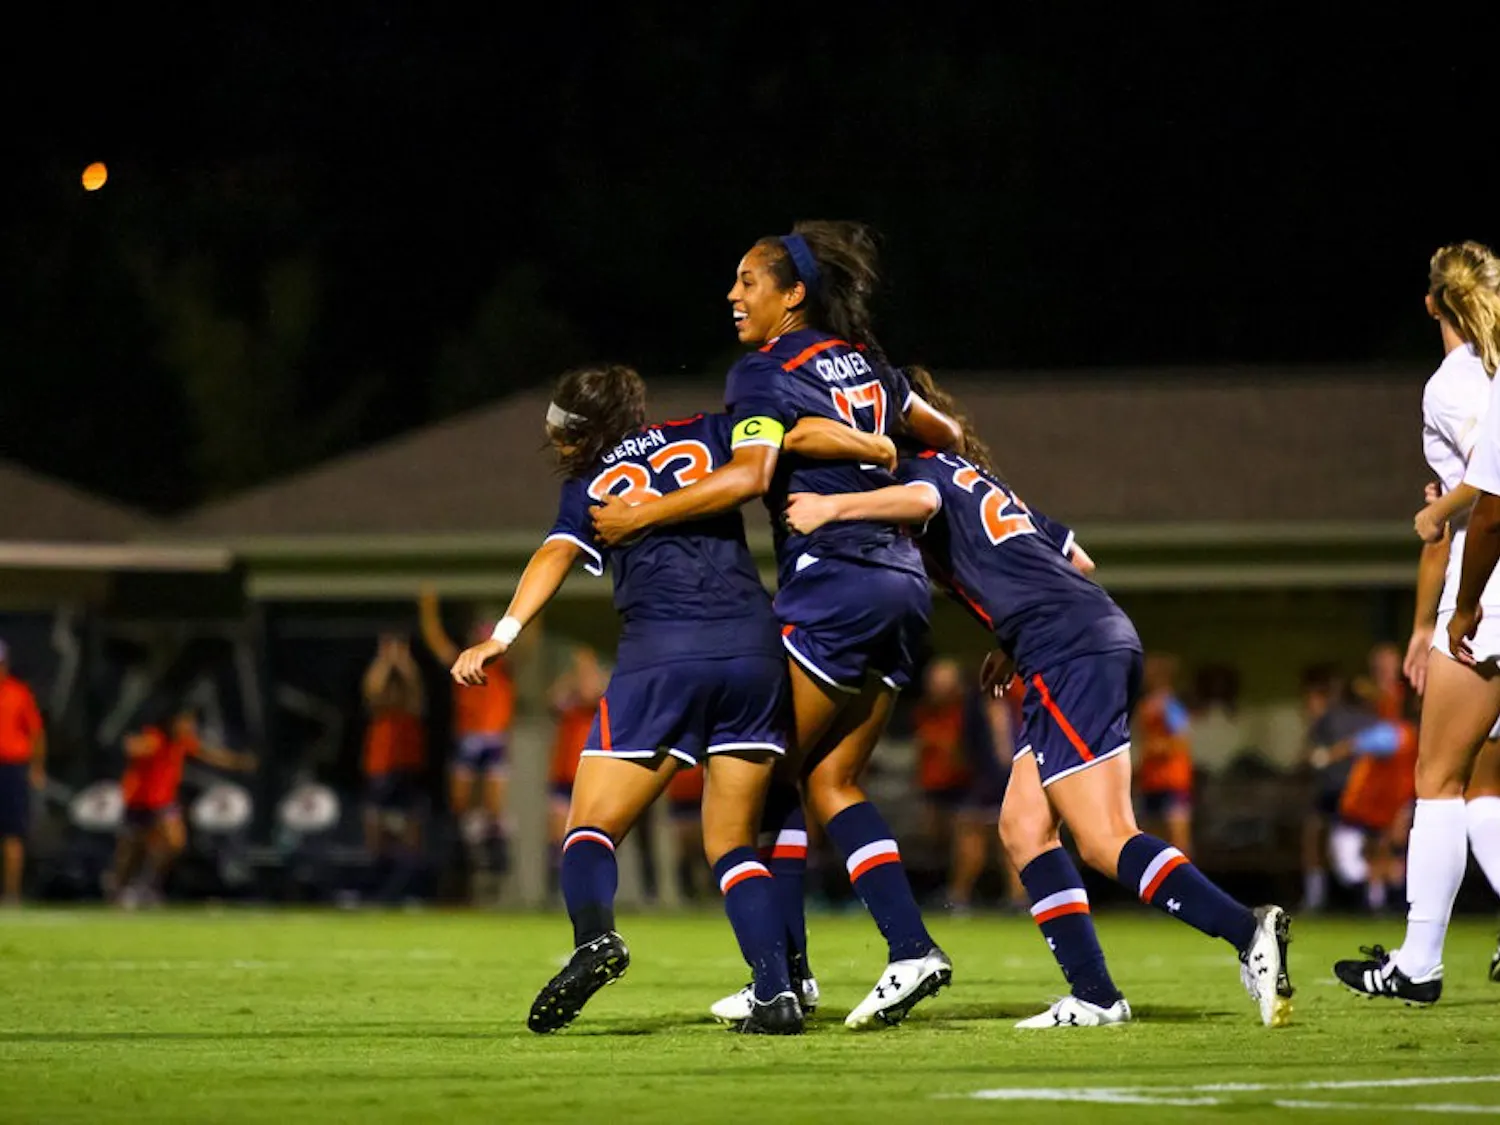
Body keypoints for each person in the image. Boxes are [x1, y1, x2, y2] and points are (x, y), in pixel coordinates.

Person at [783, 366, 1294, 1029]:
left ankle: (1245, 928)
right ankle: (1096, 995)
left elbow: (921, 505)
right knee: (1023, 826)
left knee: (1107, 838)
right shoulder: (982, 479)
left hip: (1068, 651)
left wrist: (833, 506)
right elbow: (1076, 560)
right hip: (1081, 634)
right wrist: (1010, 633)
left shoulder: (919, 470)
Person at [591, 222, 965, 1030]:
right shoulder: (864, 361)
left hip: (831, 581)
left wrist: (642, 515)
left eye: (748, 282)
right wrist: (877, 445)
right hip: (901, 585)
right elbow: (949, 436)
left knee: (752, 793)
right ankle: (893, 951)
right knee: (828, 782)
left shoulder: (764, 370)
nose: (733, 295)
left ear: (792, 294)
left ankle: (788, 980)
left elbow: (752, 473)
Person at [450, 363, 894, 1035]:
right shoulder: (710, 430)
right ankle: (775, 989)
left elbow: (554, 555)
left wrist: (503, 635)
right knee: (732, 842)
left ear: (583, 431)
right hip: (753, 647)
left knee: (590, 826)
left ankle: (595, 935)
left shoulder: (590, 483)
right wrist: (870, 444)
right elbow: (794, 436)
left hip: (662, 653)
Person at [1337, 241, 1500, 1003]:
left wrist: (1437, 508)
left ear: (1432, 303)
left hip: (1491, 596)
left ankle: (1417, 962)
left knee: (1435, 779)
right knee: (1482, 789)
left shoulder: (1453, 384)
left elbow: (1483, 493)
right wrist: (1416, 629)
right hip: (1474, 588)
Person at [110, 704, 256, 907]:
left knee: (175, 843)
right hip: (139, 802)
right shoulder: (155, 738)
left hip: (164, 803)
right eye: (186, 722)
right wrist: (135, 746)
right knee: (130, 851)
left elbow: (209, 754)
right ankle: (118, 890)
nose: (190, 726)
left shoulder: (183, 742)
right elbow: (134, 747)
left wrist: (237, 762)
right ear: (172, 722)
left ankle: (148, 886)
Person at [417, 587, 515, 882]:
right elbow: (436, 640)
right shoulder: (464, 662)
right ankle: (460, 850)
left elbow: (527, 645)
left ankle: (492, 849)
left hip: (493, 737)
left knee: (493, 805)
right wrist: (428, 605)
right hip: (470, 737)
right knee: (460, 802)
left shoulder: (503, 668)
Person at [360, 635, 429, 904]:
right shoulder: (380, 711)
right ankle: (378, 888)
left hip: (407, 770)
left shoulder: (411, 706)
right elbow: (372, 691)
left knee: (410, 832)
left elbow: (414, 689)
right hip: (380, 770)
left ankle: (408, 889)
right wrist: (384, 659)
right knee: (377, 830)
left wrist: (402, 661)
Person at [912, 657, 971, 889]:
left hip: (963, 784)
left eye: (943, 682)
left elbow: (962, 749)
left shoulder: (967, 712)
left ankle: (959, 896)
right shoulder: (923, 711)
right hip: (932, 785)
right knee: (933, 841)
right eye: (935, 682)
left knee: (964, 840)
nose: (938, 687)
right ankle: (936, 891)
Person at [1135, 652, 1195, 856]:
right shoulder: (1145, 706)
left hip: (1173, 781)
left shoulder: (1171, 705)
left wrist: (1158, 748)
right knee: (1150, 841)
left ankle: (1185, 886)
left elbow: (1181, 741)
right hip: (1150, 782)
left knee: (1178, 842)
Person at [0, 641, 46, 906]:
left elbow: (36, 733)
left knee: (13, 835)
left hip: (11, 769)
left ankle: (10, 895)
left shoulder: (19, 693)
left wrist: (37, 768)